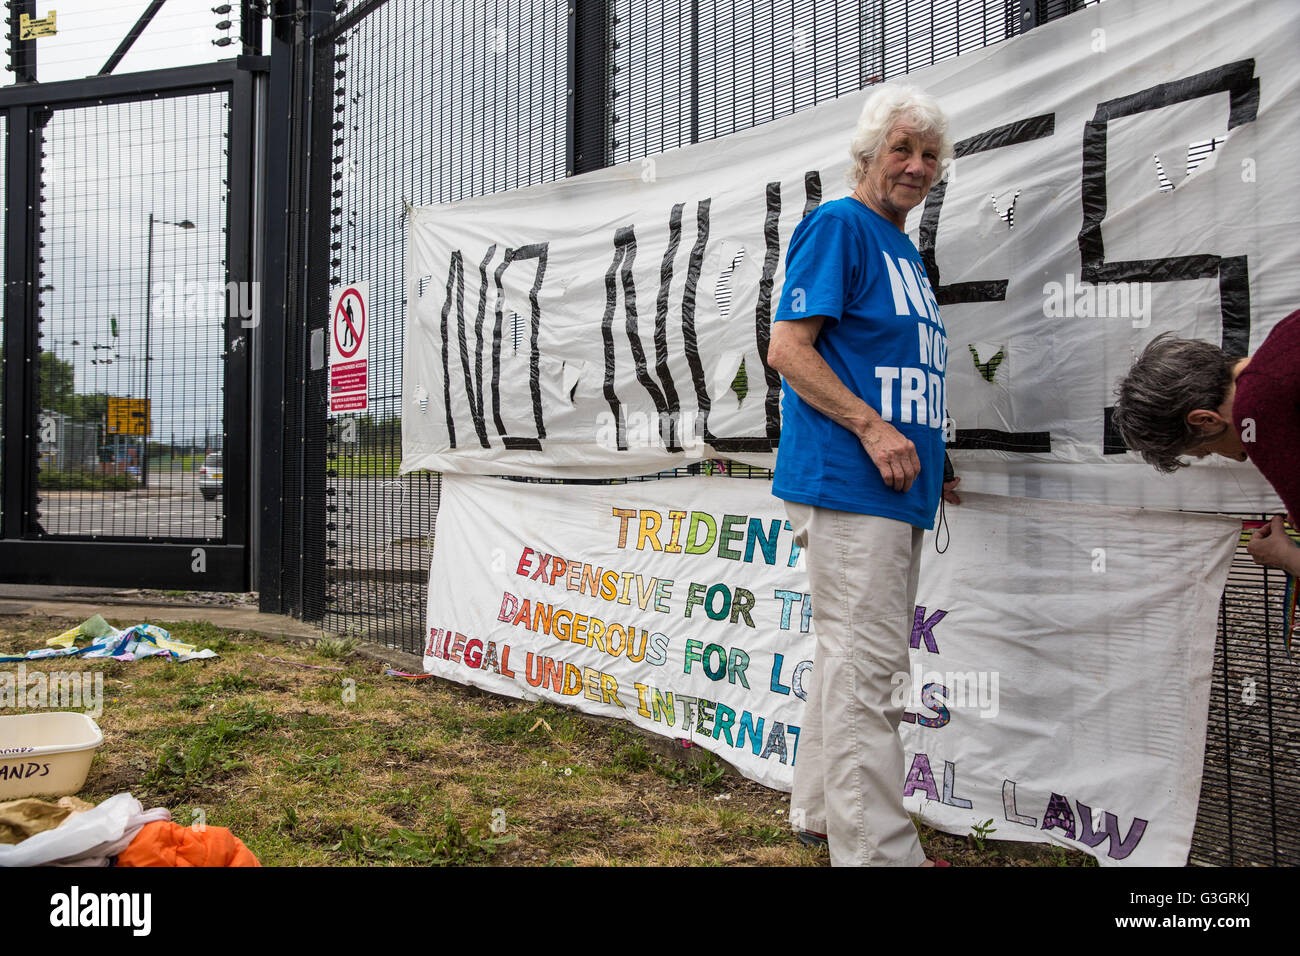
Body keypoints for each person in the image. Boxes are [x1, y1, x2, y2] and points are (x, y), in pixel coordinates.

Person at [767, 83, 960, 867]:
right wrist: (874, 428)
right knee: (870, 672)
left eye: (929, 155)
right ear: (867, 156)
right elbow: (788, 349)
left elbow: (890, 362)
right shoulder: (840, 225)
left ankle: (822, 811)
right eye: (902, 150)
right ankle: (877, 855)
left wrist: (930, 448)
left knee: (851, 661)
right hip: (852, 483)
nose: (916, 166)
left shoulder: (901, 246)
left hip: (894, 487)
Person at [1111, 309, 1300, 576]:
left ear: (1205, 420)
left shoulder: (1254, 414)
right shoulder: (1285, 333)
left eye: (1207, 449)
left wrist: (1285, 556)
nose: (1238, 457)